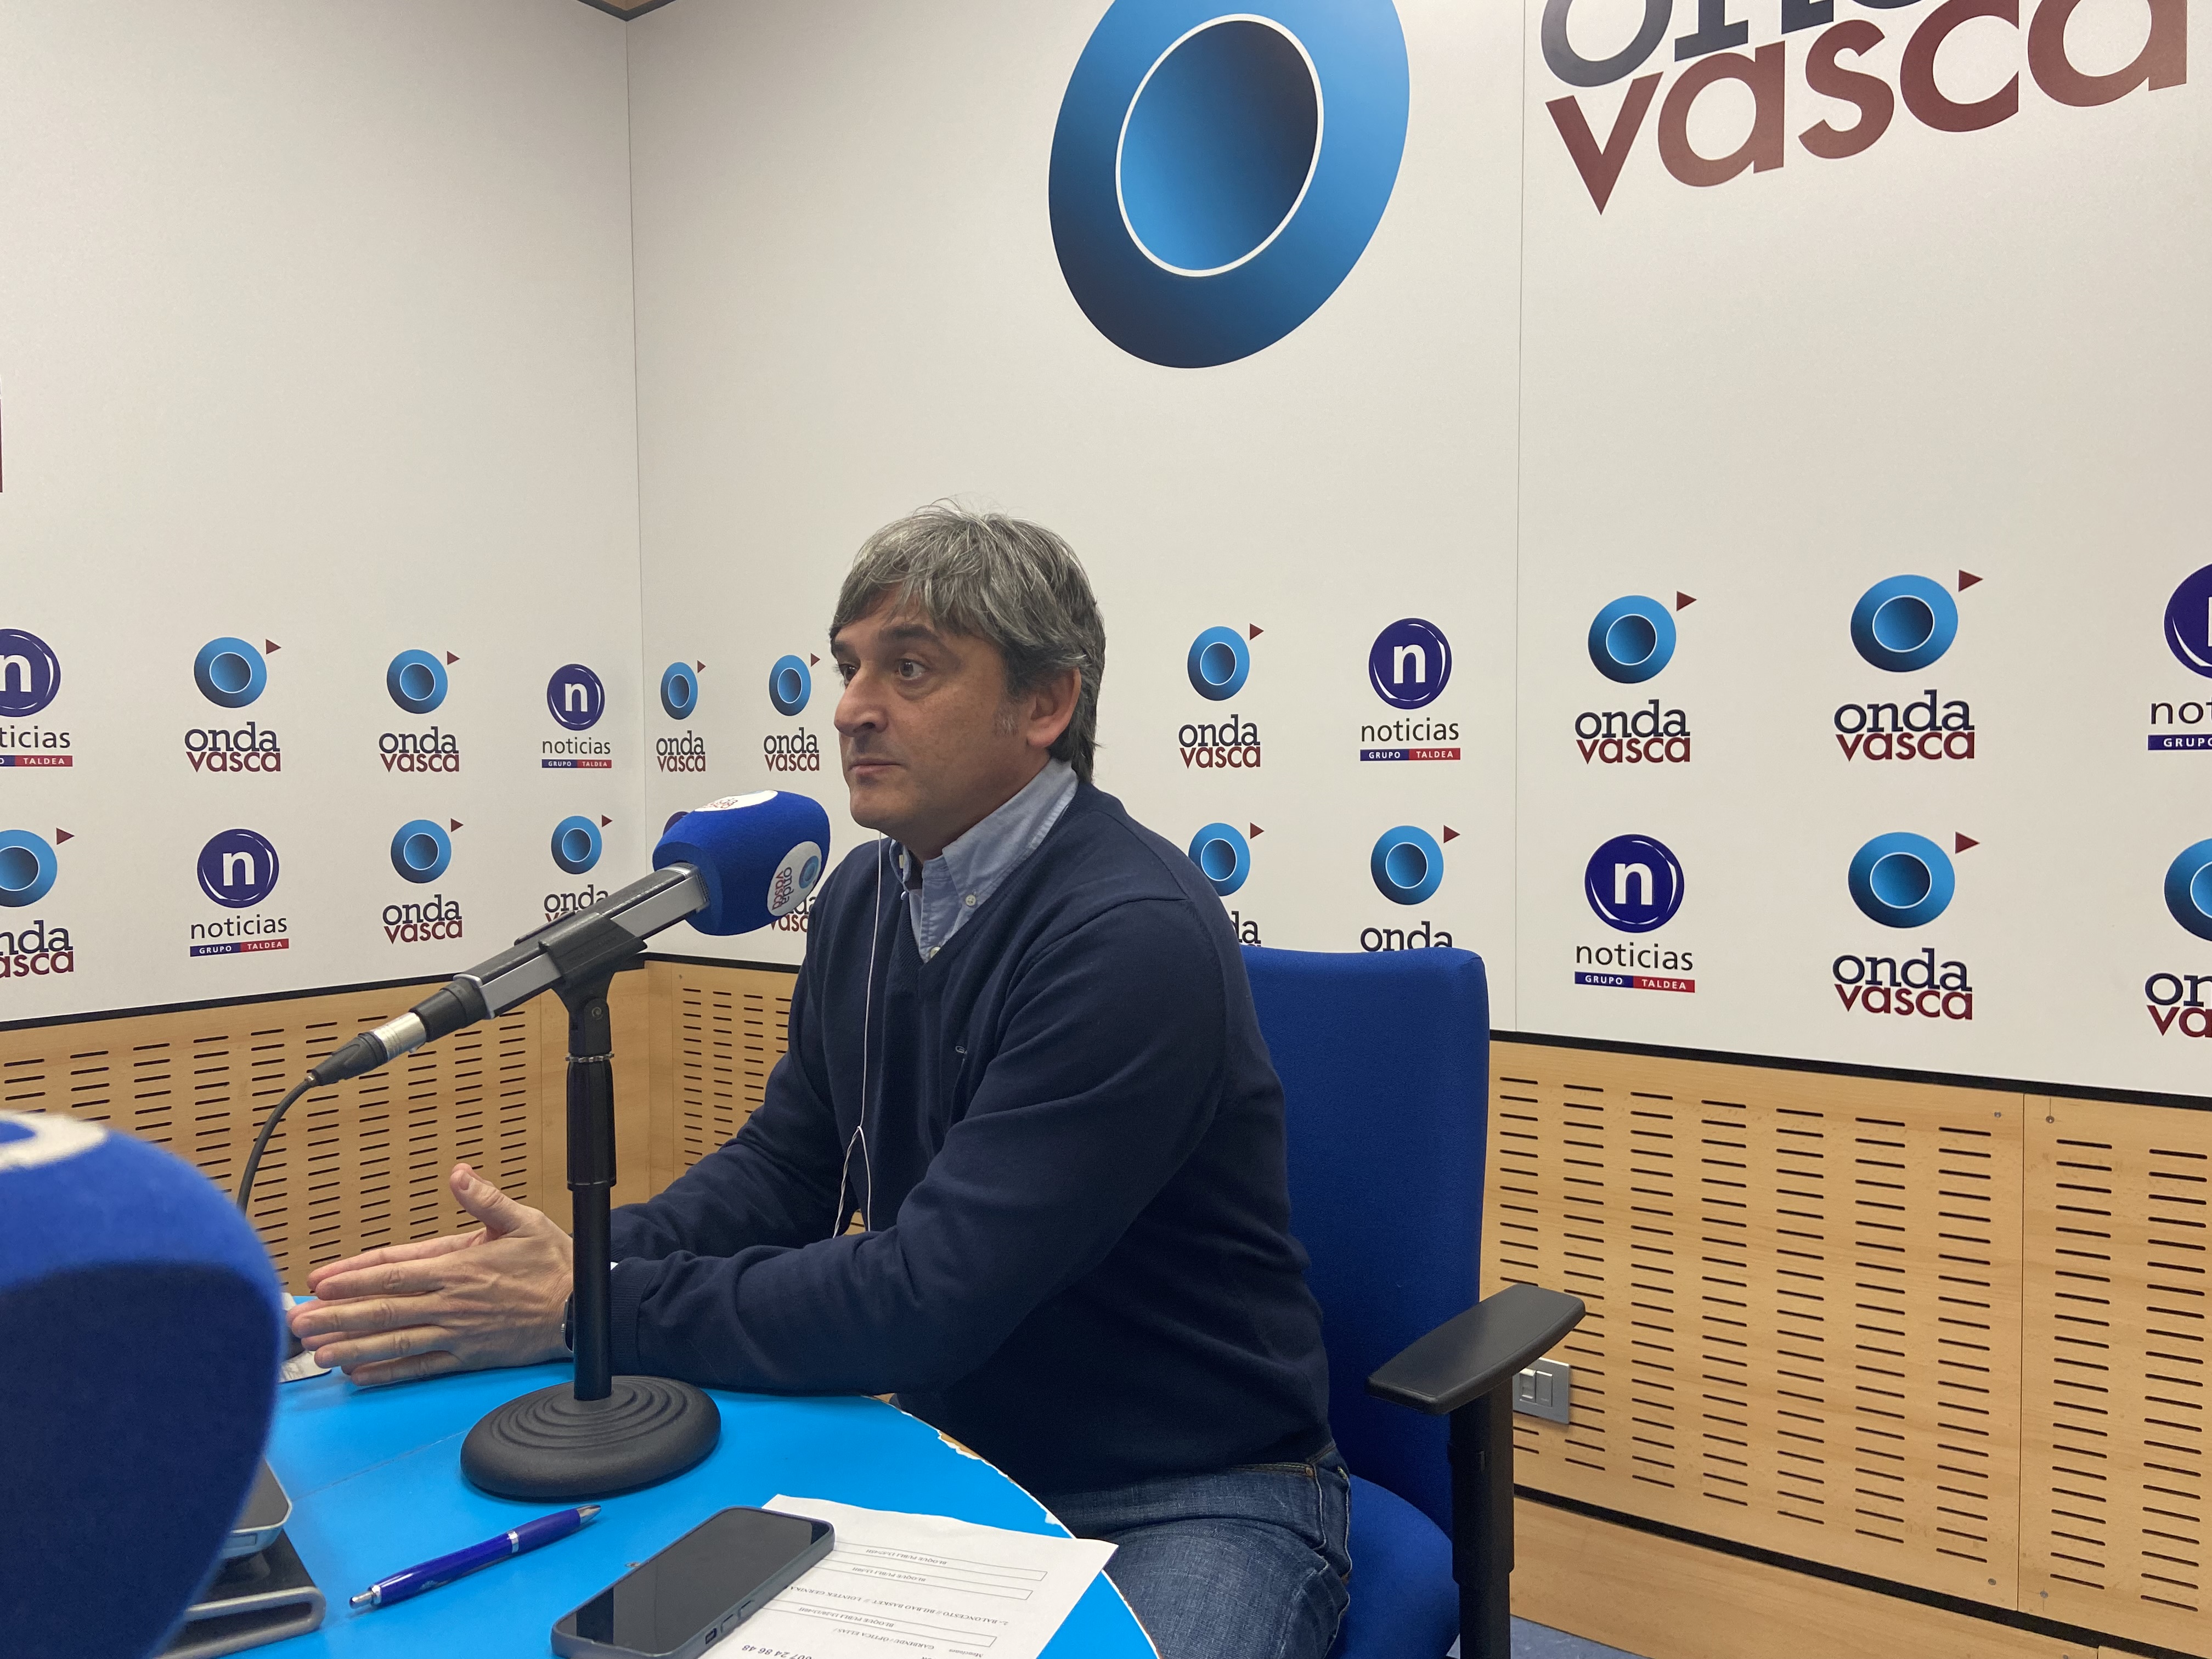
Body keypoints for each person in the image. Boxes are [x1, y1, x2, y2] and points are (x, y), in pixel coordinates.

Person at [291, 505, 1347, 1657]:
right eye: (848, 668)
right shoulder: (865, 897)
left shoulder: (1128, 935)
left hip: (1189, 1490)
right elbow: (785, 1170)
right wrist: (573, 1266)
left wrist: (579, 1308)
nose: (851, 708)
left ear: (1045, 704)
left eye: (911, 668)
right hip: (945, 1454)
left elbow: (929, 1297)